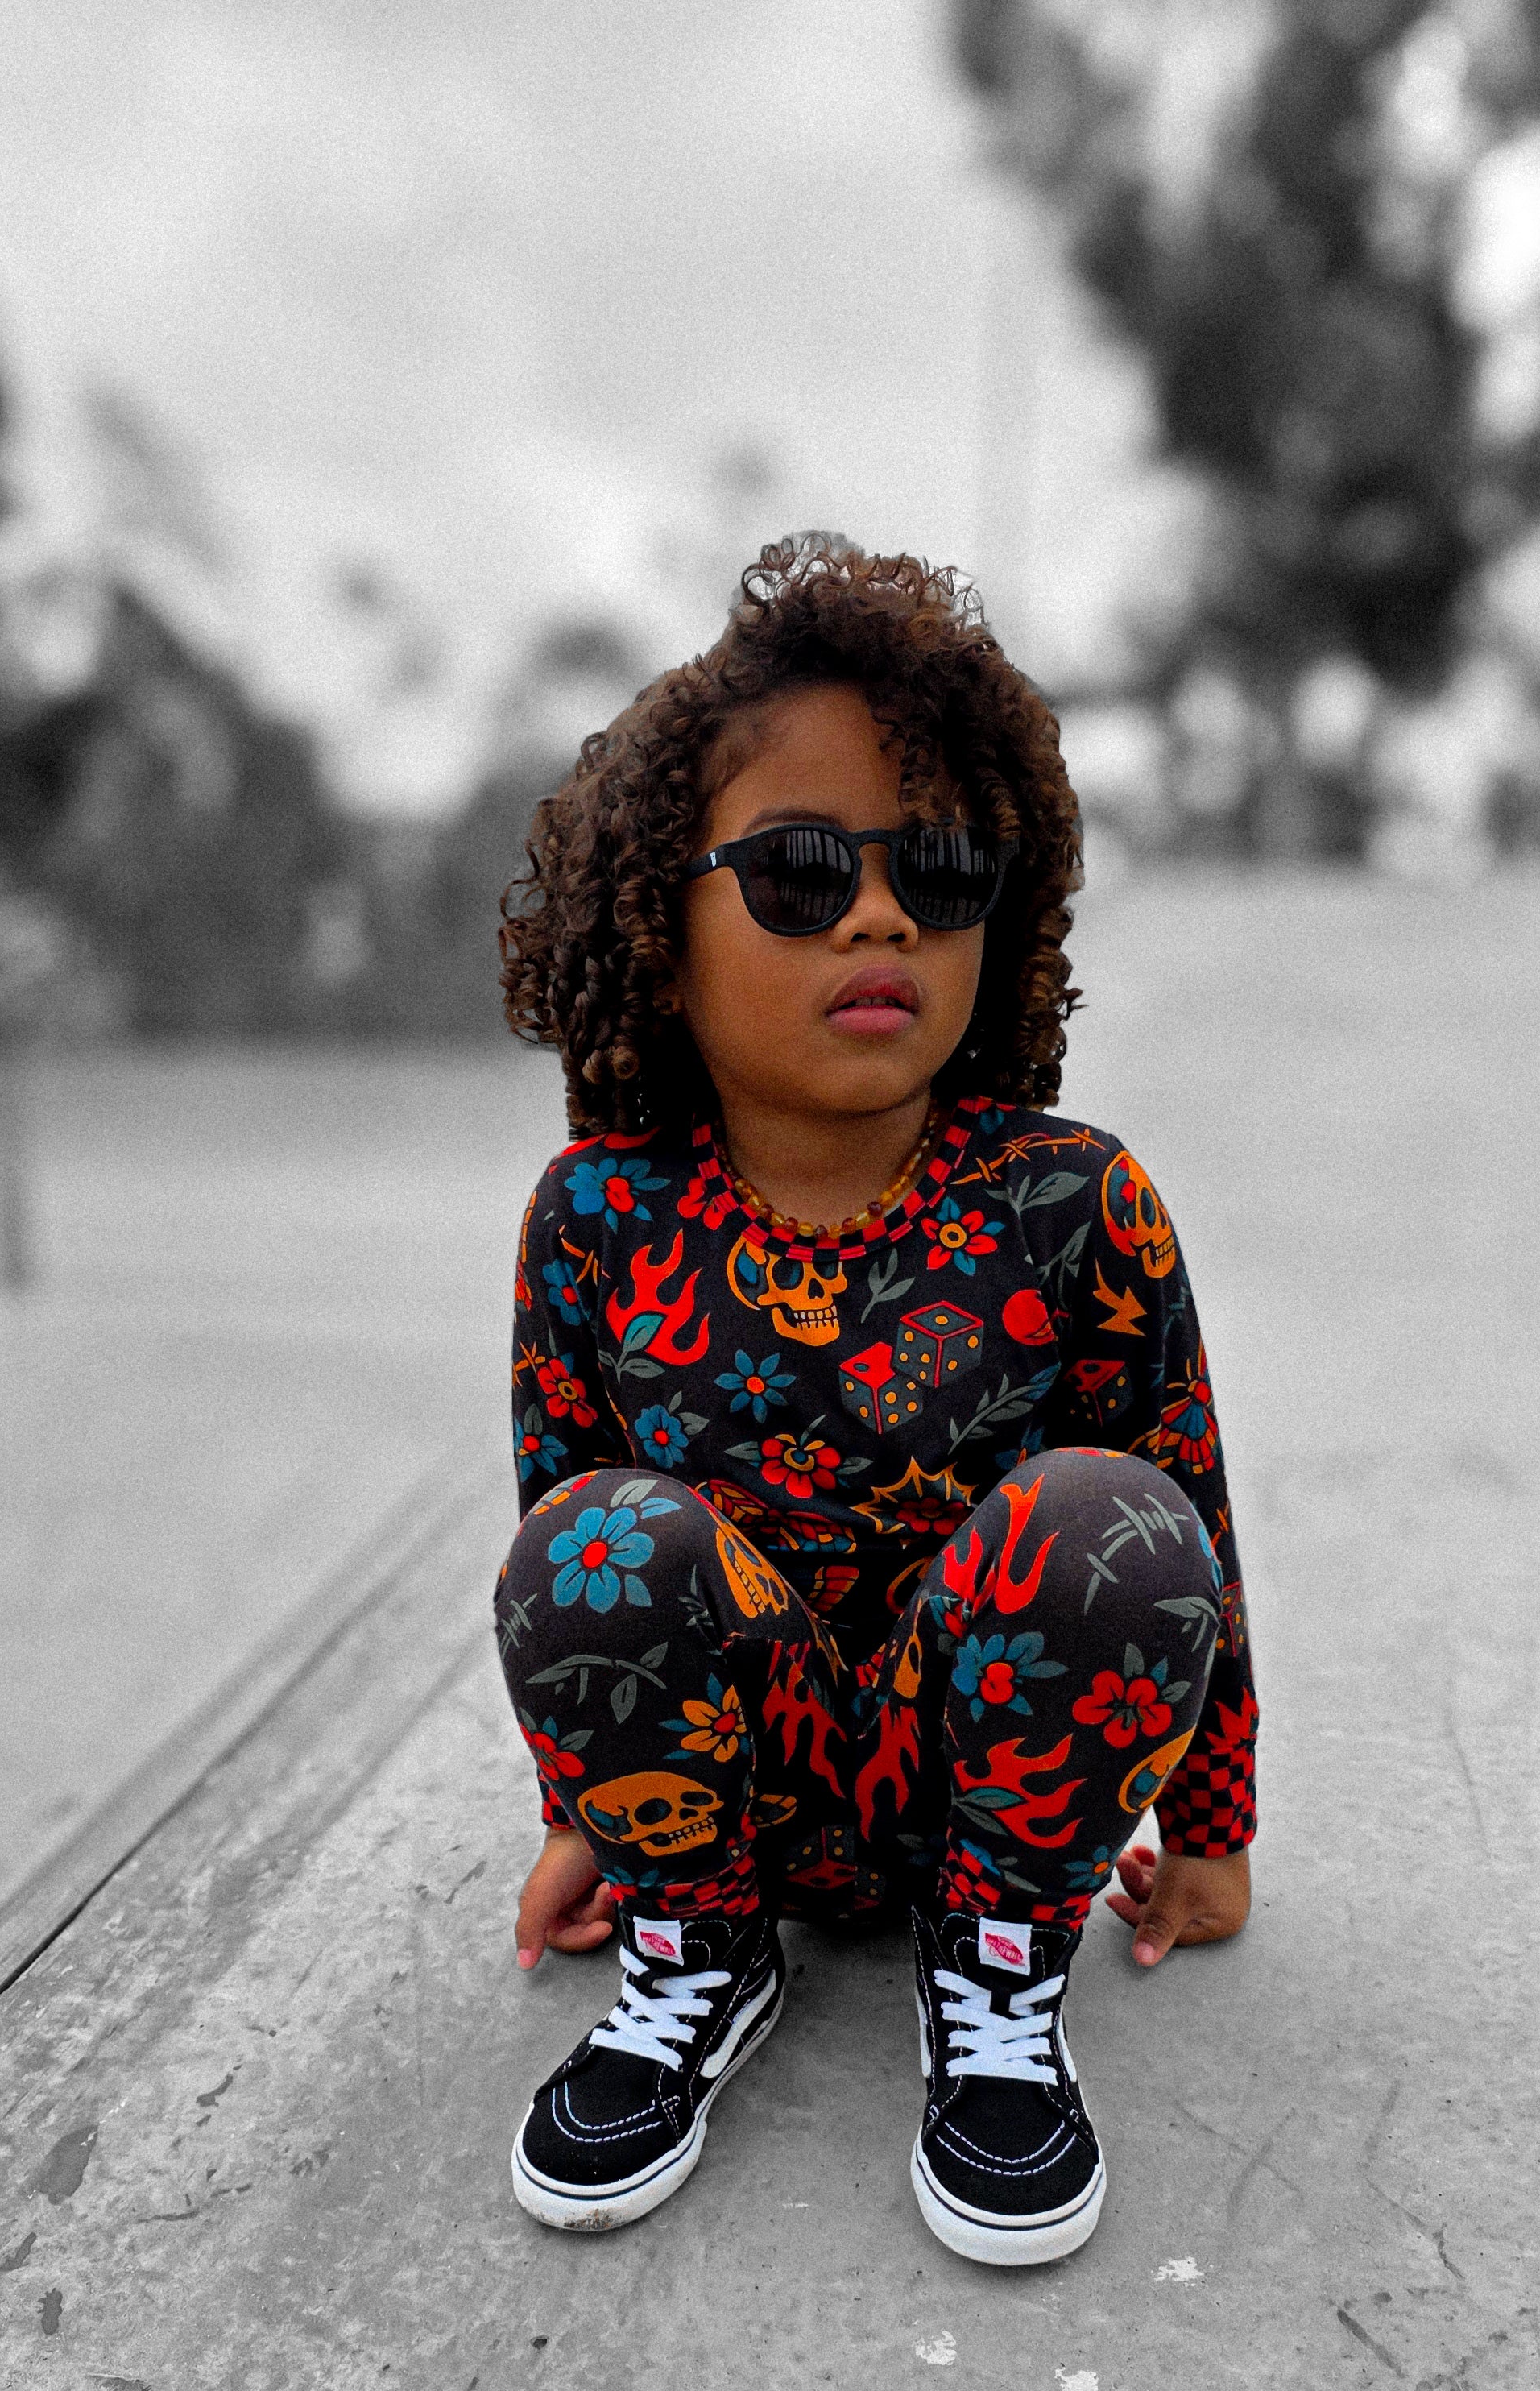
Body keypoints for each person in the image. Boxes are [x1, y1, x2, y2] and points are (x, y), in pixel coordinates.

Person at [493, 537, 1256, 2265]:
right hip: (730, 1813)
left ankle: (993, 1979)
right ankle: (702, 1958)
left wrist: (1211, 1827)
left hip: (988, 1804)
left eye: (941, 865)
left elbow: (1190, 1517)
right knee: (593, 1542)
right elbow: (558, 1513)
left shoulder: (1075, 1203)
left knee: (1113, 1521)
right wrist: (582, 1816)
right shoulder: (597, 1220)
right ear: (659, 935)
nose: (879, 912)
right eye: (798, 869)